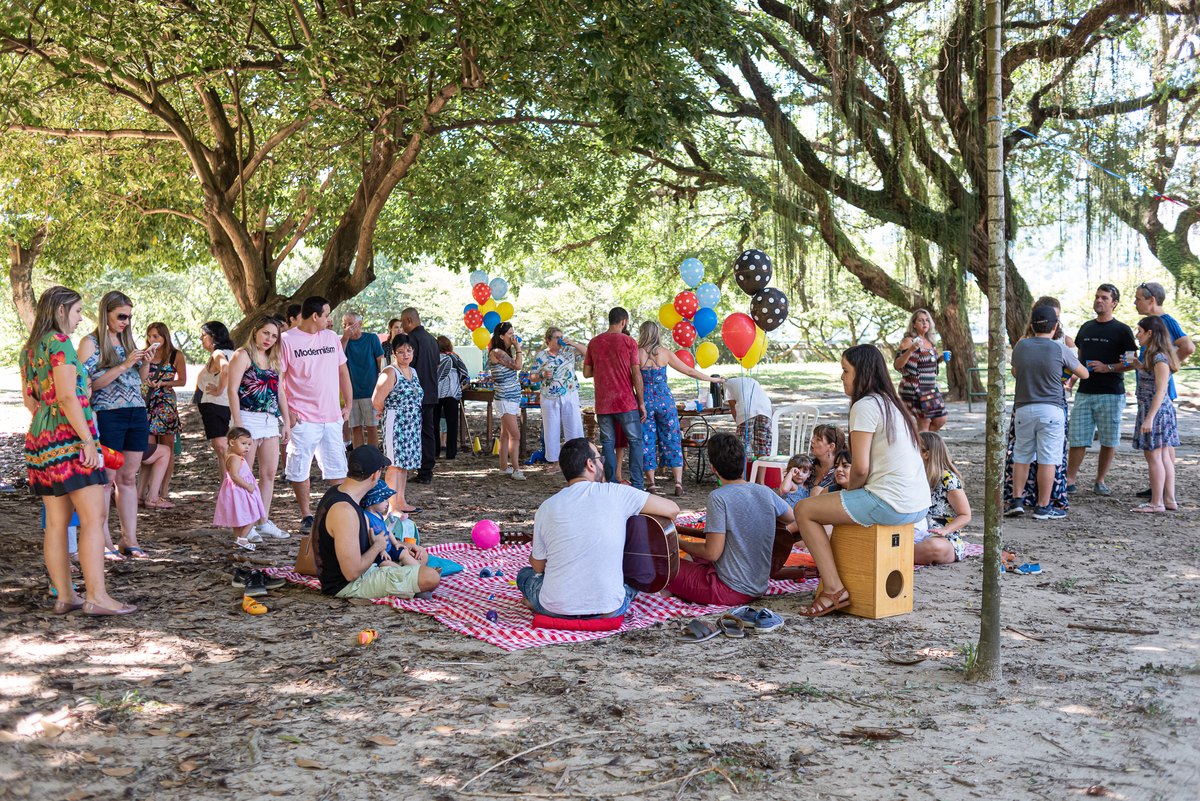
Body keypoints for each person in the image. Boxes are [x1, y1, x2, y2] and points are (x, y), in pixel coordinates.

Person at [792, 344, 931, 617]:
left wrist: (847, 495)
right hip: (918, 504)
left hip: (890, 501)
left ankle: (833, 589)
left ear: (862, 373)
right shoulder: (893, 403)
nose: (841, 377)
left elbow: (860, 469)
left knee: (804, 510)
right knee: (823, 505)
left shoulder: (866, 405)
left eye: (845, 371)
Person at [21, 286, 134, 615]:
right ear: (60, 312)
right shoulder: (59, 343)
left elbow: (32, 401)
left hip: (41, 438)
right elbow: (69, 396)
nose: (81, 318)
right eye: (76, 311)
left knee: (57, 523)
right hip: (71, 437)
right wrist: (87, 440)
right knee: (93, 517)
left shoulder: (29, 349)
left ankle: (66, 596)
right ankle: (97, 597)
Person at [517, 437, 679, 618]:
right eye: (600, 459)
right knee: (631, 580)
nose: (602, 464)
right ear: (590, 465)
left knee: (525, 574)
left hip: (555, 609)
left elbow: (538, 568)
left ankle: (531, 601)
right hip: (609, 610)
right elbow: (673, 509)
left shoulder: (546, 507)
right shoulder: (617, 493)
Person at [661, 433, 794, 606]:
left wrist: (677, 543)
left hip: (729, 590)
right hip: (758, 585)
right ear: (742, 463)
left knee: (662, 565)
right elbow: (790, 517)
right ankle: (677, 588)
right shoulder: (764, 491)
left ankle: (673, 588)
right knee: (692, 559)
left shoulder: (718, 497)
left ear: (713, 468)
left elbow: (712, 552)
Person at [312, 445, 441, 599]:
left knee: (421, 554)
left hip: (367, 564)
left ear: (349, 468)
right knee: (431, 577)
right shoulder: (344, 511)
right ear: (374, 475)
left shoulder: (340, 492)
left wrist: (400, 545)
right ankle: (411, 584)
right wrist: (378, 546)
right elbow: (351, 572)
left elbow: (363, 539)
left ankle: (409, 583)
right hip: (348, 584)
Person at [78, 291, 151, 560]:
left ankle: (129, 540)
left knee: (129, 478)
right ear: (105, 312)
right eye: (121, 316)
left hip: (136, 412)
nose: (126, 321)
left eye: (130, 317)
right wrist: (124, 364)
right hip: (108, 413)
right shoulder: (90, 342)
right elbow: (90, 385)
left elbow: (139, 380)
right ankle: (104, 541)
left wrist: (145, 363)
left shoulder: (126, 339)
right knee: (106, 480)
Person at [1009, 305, 1089, 520]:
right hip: (1051, 409)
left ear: (1032, 325)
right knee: (1048, 459)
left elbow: (1016, 371)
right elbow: (1084, 373)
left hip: (1024, 407)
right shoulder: (1059, 348)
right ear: (1055, 326)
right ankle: (1042, 507)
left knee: (1022, 456)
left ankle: (1016, 501)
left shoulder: (1020, 346)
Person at [280, 296, 352, 534]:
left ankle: (337, 512)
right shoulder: (286, 340)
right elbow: (278, 380)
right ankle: (306, 515)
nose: (330, 319)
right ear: (315, 316)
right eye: (327, 314)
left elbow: (342, 372)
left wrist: (348, 405)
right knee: (299, 467)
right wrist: (287, 411)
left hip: (331, 417)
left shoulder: (331, 338)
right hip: (302, 418)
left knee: (337, 468)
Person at [636, 321, 724, 495]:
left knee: (646, 442)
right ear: (657, 334)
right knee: (673, 439)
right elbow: (689, 371)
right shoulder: (665, 353)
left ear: (642, 333)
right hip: (665, 402)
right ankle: (678, 484)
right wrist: (713, 379)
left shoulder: (635, 354)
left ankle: (652, 484)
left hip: (644, 401)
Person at [1065, 284, 1137, 496]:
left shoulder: (1123, 330)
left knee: (1109, 439)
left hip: (1111, 393)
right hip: (1084, 393)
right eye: (1097, 297)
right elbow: (1078, 361)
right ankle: (1069, 480)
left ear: (1114, 303)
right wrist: (1071, 380)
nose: (1099, 300)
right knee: (1077, 438)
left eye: (1104, 298)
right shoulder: (1086, 328)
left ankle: (1100, 481)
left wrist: (1109, 368)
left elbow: (1133, 362)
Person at [228, 317, 292, 540]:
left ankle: (263, 521)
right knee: (245, 474)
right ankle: (246, 525)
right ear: (255, 331)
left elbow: (280, 393)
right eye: (266, 333)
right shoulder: (242, 355)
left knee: (268, 474)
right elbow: (232, 390)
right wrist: (238, 424)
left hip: (270, 421)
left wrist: (286, 422)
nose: (269, 339)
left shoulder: (275, 359)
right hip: (247, 418)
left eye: (274, 336)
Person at [1132, 282, 1193, 500]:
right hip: (1153, 388)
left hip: (1159, 394)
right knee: (1161, 450)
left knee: (1162, 449)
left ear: (1152, 300)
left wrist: (1165, 368)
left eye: (1138, 298)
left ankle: (1164, 494)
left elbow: (1188, 347)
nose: (1135, 302)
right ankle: (1162, 491)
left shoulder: (1165, 322)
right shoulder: (1150, 328)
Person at [583, 307, 646, 490]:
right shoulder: (629, 342)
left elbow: (587, 372)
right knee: (635, 442)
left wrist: (603, 368)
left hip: (603, 404)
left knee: (607, 443)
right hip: (626, 402)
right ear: (624, 322)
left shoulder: (594, 342)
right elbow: (636, 373)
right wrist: (641, 402)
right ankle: (637, 485)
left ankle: (611, 484)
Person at [1129, 316, 1181, 513]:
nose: (1137, 334)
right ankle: (1169, 499)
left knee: (1154, 458)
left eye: (1139, 331)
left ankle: (1156, 502)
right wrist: (1139, 366)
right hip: (1158, 410)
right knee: (1165, 456)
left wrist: (1149, 418)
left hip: (1155, 411)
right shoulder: (1156, 357)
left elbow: (1161, 390)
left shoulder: (1159, 357)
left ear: (1150, 333)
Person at [372, 333, 422, 515]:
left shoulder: (413, 371)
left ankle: (401, 500)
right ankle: (392, 506)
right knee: (394, 464)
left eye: (409, 351)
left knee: (404, 464)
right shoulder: (390, 372)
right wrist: (390, 412)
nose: (406, 355)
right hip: (396, 424)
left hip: (412, 424)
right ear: (394, 353)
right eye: (401, 352)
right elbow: (377, 399)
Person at [141, 322, 185, 506]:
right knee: (150, 450)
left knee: (168, 449)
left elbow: (182, 381)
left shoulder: (176, 355)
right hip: (146, 404)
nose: (152, 340)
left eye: (156, 337)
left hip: (165, 406)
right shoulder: (144, 354)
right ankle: (147, 491)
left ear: (165, 337)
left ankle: (164, 489)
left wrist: (164, 383)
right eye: (150, 336)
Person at [532, 327, 587, 475]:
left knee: (574, 428)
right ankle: (556, 463)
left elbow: (588, 353)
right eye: (556, 337)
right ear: (548, 340)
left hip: (569, 394)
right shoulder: (540, 356)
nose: (560, 340)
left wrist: (573, 344)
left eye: (561, 336)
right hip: (549, 397)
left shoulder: (568, 352)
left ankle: (576, 462)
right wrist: (542, 375)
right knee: (551, 430)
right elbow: (532, 377)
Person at [915, 432, 970, 564]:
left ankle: (894, 556)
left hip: (942, 539)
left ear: (926, 454)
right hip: (915, 534)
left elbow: (965, 515)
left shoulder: (948, 479)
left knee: (933, 547)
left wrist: (944, 530)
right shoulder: (914, 476)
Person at [196, 321, 237, 499]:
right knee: (223, 449)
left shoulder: (218, 353)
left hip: (216, 405)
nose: (201, 338)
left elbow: (225, 369)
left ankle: (230, 490)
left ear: (213, 337)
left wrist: (219, 390)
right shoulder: (234, 353)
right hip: (227, 405)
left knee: (222, 449)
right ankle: (226, 489)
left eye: (203, 335)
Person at [400, 308, 440, 484]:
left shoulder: (411, 339)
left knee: (414, 431)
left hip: (414, 393)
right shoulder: (432, 339)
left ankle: (418, 468)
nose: (401, 327)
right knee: (428, 431)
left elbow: (407, 364)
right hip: (431, 391)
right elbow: (437, 365)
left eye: (402, 323)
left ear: (409, 321)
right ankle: (426, 470)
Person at [893, 309, 947, 433]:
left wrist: (939, 360)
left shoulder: (930, 342)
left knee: (941, 419)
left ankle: (922, 444)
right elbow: (898, 365)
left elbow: (924, 363)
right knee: (925, 423)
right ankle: (924, 449)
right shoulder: (909, 341)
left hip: (930, 388)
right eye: (921, 320)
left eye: (927, 320)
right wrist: (911, 349)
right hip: (915, 388)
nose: (925, 323)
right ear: (914, 324)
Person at [214, 427, 267, 551]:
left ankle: (238, 541)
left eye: (249, 444)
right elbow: (234, 476)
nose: (247, 447)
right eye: (243, 444)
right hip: (241, 491)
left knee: (238, 518)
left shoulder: (235, 456)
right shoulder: (235, 458)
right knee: (255, 514)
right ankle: (243, 539)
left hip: (239, 491)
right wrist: (248, 486)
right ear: (232, 443)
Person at [339, 311, 383, 450]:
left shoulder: (372, 339)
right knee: (355, 428)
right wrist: (345, 338)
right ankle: (359, 459)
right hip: (351, 393)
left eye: (350, 324)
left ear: (360, 324)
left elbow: (380, 363)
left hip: (371, 392)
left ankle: (374, 458)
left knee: (372, 427)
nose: (347, 328)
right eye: (345, 325)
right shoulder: (343, 342)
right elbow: (337, 357)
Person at [487, 322, 526, 480]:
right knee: (515, 435)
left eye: (513, 332)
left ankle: (504, 467)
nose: (513, 336)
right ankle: (516, 470)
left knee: (505, 435)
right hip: (505, 398)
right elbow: (518, 366)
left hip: (511, 398)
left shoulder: (503, 352)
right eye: (510, 334)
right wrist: (518, 349)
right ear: (501, 336)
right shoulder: (497, 352)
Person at [435, 336, 470, 460]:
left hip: (435, 393)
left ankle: (435, 452)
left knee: (434, 424)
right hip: (452, 392)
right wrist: (458, 382)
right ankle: (451, 453)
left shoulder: (433, 356)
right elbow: (465, 372)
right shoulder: (454, 356)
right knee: (452, 424)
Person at [723, 374, 772, 460]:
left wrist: (738, 422)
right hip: (766, 408)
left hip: (747, 409)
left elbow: (732, 406)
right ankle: (760, 473)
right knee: (762, 446)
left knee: (744, 444)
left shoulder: (727, 383)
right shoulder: (750, 380)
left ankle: (744, 473)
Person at [807, 424, 846, 494]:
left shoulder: (841, 472)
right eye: (813, 437)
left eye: (818, 439)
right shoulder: (808, 465)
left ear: (831, 446)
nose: (812, 440)